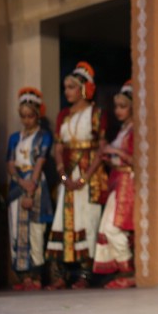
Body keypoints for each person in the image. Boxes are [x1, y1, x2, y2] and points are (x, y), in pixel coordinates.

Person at [45, 62, 108, 289]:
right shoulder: (63, 115)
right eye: (65, 88)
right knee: (62, 221)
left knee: (86, 220)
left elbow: (101, 150)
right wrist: (63, 175)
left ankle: (84, 275)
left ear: (83, 88)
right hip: (68, 176)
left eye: (71, 87)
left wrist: (84, 177)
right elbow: (58, 148)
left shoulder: (96, 114)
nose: (67, 92)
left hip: (88, 176)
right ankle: (61, 274)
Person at [6, 88, 53, 291]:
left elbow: (40, 162)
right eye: (23, 116)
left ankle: (36, 276)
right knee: (16, 229)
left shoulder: (44, 136)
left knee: (35, 230)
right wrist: (19, 181)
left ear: (38, 115)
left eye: (30, 116)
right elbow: (10, 163)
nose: (26, 120)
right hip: (18, 184)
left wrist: (31, 187)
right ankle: (23, 276)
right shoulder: (15, 138)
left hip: (36, 183)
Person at [93, 82, 136, 289]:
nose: (118, 111)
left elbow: (135, 160)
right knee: (106, 228)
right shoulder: (123, 130)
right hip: (118, 182)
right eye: (117, 107)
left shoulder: (135, 130)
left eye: (123, 106)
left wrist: (115, 152)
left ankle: (129, 272)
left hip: (127, 184)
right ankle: (121, 270)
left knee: (113, 228)